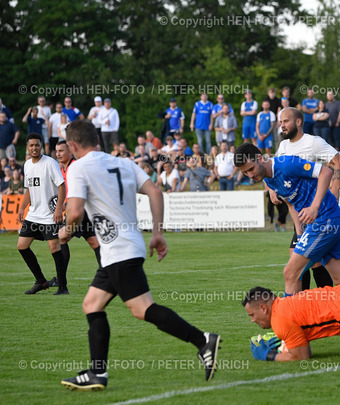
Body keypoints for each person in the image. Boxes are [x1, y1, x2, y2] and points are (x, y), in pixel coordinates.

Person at [59, 120, 221, 390]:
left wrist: (65, 232)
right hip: (123, 247)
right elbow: (155, 192)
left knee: (142, 309)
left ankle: (203, 341)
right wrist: (157, 232)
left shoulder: (79, 168)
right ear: (98, 140)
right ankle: (97, 373)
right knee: (91, 304)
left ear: (73, 145)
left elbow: (74, 212)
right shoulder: (123, 163)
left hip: (118, 250)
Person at [234, 143, 340, 295]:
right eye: (245, 173)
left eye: (251, 169)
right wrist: (300, 234)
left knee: (291, 272)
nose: (250, 176)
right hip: (328, 220)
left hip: (325, 219)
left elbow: (325, 172)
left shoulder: (286, 164)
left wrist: (314, 207)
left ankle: (287, 319)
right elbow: (290, 203)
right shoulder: (268, 179)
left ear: (260, 158)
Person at [275, 107, 340, 291]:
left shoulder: (313, 142)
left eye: (285, 121)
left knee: (309, 261)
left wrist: (335, 189)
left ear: (298, 122)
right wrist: (273, 189)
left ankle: (323, 307)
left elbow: (339, 161)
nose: (282, 125)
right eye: (280, 121)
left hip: (318, 212)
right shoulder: (283, 147)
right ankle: (306, 309)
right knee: (300, 259)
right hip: (298, 211)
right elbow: (275, 171)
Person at [17, 133, 68, 295]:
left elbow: (61, 186)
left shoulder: (50, 163)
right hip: (33, 214)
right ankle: (41, 281)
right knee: (22, 246)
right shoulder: (26, 165)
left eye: (37, 145)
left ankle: (62, 287)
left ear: (41, 146)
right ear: (27, 147)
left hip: (49, 215)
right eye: (31, 145)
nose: (34, 148)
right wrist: (21, 208)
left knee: (54, 248)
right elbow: (29, 190)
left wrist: (58, 209)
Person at [54, 140, 101, 282]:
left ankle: (61, 280)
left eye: (61, 151)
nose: (58, 154)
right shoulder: (63, 168)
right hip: (79, 209)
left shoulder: (75, 166)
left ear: (70, 151)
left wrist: (67, 204)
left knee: (61, 239)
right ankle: (108, 276)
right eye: (56, 151)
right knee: (94, 242)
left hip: (80, 209)